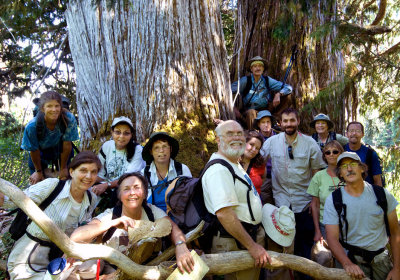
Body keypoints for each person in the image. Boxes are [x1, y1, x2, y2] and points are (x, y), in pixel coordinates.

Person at [70, 172, 194, 277]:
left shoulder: (152, 212)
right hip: (113, 270)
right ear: (119, 195)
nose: (132, 193)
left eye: (137, 187)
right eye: (126, 189)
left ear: (145, 193)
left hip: (149, 268)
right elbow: (76, 236)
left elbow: (173, 228)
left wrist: (181, 245)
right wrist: (112, 223)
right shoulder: (111, 214)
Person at [0, 151, 99, 280]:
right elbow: (13, 200)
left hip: (60, 258)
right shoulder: (52, 185)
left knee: (93, 267)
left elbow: (84, 229)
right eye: (83, 170)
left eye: (94, 172)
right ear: (71, 172)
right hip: (30, 255)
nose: (88, 176)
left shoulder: (91, 199)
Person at [202, 120, 271, 280]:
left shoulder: (233, 164)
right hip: (233, 243)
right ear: (218, 140)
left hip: (243, 241)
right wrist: (252, 246)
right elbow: (225, 214)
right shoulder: (219, 170)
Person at [260, 108, 326, 267]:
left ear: (298, 122)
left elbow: (317, 173)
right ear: (280, 123)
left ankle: (305, 275)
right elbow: (258, 161)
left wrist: (314, 200)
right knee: (283, 247)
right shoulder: (271, 142)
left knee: (305, 247)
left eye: (292, 120)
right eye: (285, 121)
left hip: (304, 203)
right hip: (281, 203)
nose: (288, 124)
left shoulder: (310, 143)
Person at [324, 152, 400, 280]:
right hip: (351, 261)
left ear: (362, 168)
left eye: (353, 164)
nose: (349, 169)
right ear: (340, 173)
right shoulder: (335, 200)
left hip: (381, 262)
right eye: (344, 166)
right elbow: (332, 238)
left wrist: (397, 268)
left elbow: (395, 232)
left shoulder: (381, 195)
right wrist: (347, 263)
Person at [21, 91, 79, 185]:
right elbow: (34, 150)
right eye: (49, 106)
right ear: (42, 108)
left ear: (61, 107)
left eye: (57, 106)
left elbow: (67, 144)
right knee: (38, 182)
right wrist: (38, 171)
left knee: (65, 180)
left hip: (61, 150)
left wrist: (63, 168)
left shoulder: (68, 119)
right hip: (40, 153)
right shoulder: (32, 126)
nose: (54, 109)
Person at [231, 56, 292, 130]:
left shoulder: (267, 80)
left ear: (263, 69)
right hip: (250, 111)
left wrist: (279, 94)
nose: (258, 68)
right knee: (251, 113)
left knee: (287, 96)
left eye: (260, 66)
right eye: (255, 66)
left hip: (267, 109)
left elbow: (288, 88)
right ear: (251, 69)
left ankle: (275, 119)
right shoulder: (245, 81)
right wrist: (233, 107)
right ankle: (253, 133)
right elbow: (227, 91)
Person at [92, 117, 145, 196]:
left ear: (131, 135)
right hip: (108, 186)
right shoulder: (107, 146)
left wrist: (106, 185)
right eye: (117, 132)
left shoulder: (137, 150)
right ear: (112, 132)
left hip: (127, 187)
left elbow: (127, 179)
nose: (121, 136)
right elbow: (101, 174)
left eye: (126, 133)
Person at [141, 132, 191, 212]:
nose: (161, 151)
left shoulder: (182, 170)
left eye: (165, 146)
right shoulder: (144, 173)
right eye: (156, 148)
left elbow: (190, 196)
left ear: (170, 149)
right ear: (151, 152)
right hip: (153, 218)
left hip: (179, 217)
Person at [307, 140, 344, 243]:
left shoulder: (348, 174)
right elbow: (315, 205)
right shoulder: (319, 176)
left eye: (335, 152)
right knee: (324, 257)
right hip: (325, 225)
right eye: (328, 152)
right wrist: (317, 231)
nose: (331, 155)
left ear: (341, 153)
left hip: (347, 225)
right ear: (324, 156)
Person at [344, 121, 383, 186]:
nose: (354, 133)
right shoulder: (341, 151)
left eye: (358, 131)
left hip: (367, 192)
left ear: (363, 134)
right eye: (351, 131)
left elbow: (377, 179)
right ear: (346, 134)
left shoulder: (370, 154)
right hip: (346, 192)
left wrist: (379, 195)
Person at [254, 110, 276, 205]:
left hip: (279, 177)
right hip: (264, 178)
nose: (266, 125)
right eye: (263, 122)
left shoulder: (279, 137)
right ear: (258, 124)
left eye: (268, 122)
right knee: (267, 204)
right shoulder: (255, 140)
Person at [240, 130, 266, 195]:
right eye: (251, 144)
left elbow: (263, 178)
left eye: (257, 148)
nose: (254, 150)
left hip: (255, 203)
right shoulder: (232, 161)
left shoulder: (260, 165)